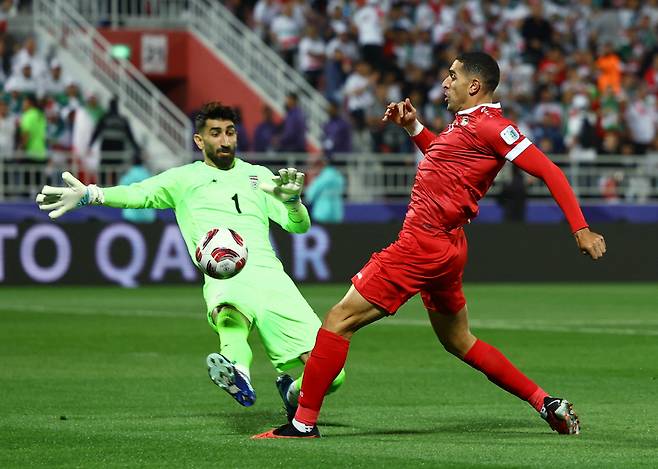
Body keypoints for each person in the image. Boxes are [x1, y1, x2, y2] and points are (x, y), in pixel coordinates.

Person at [254, 52, 606, 439]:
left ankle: (302, 423)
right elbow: (446, 164)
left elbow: (549, 171)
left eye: (452, 75)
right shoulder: (466, 125)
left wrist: (580, 229)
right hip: (447, 246)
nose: (444, 82)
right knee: (459, 341)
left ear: (474, 85)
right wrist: (414, 127)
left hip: (422, 244)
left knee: (339, 320)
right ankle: (546, 403)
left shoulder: (494, 126)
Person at [35, 102, 345, 415]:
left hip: (273, 278)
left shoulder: (258, 175)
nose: (225, 141)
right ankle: (237, 371)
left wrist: (293, 203)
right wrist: (91, 194)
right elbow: (138, 194)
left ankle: (291, 394)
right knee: (231, 319)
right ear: (200, 141)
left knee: (333, 375)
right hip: (227, 276)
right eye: (215, 133)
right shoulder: (183, 179)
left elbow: (299, 226)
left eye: (230, 132)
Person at [305, 154, 345, 224]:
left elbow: (310, 195)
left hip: (322, 213)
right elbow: (342, 189)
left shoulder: (321, 177)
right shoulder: (338, 176)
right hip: (336, 213)